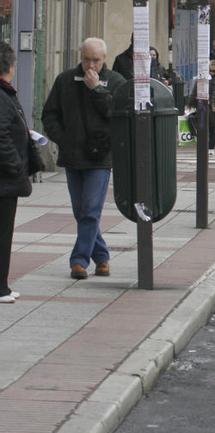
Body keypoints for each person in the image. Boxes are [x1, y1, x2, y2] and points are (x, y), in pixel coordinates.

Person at [43, 38, 125, 280]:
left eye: (96, 60)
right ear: (80, 57)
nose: (91, 65)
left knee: (91, 209)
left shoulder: (116, 81)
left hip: (101, 158)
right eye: (87, 59)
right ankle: (101, 256)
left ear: (104, 59)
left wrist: (97, 89)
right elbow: (50, 114)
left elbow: (117, 114)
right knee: (81, 211)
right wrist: (63, 139)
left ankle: (78, 261)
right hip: (73, 156)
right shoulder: (65, 80)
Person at [0, 41, 38, 302]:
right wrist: (15, 166)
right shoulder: (2, 95)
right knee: (3, 234)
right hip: (4, 179)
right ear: (10, 67)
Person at [187, 60, 215, 156]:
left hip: (214, 108)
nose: (212, 72)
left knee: (212, 129)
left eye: (213, 71)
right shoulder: (203, 77)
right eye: (210, 70)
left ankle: (211, 148)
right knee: (203, 127)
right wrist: (190, 104)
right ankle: (204, 147)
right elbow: (195, 91)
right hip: (204, 106)